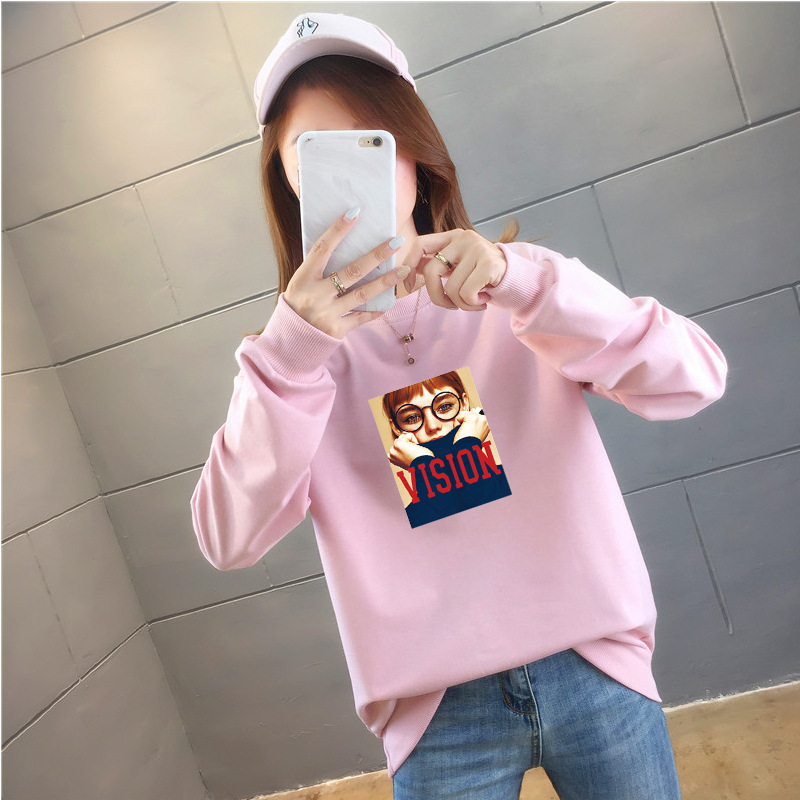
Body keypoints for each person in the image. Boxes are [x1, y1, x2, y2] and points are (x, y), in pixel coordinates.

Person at [192, 12, 728, 799]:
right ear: (288, 177)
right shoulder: (293, 364)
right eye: (314, 150)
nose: (350, 169)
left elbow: (694, 377)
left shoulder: (521, 292)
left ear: (415, 147)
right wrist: (292, 352)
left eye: (371, 138)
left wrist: (523, 283)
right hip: (437, 717)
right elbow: (226, 539)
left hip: (595, 668)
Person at [379, 369, 512, 528]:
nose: (432, 426)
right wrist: (423, 466)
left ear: (464, 404)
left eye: (445, 407)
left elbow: (495, 523)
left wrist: (467, 448)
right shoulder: (401, 518)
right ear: (397, 428)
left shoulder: (512, 477)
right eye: (412, 417)